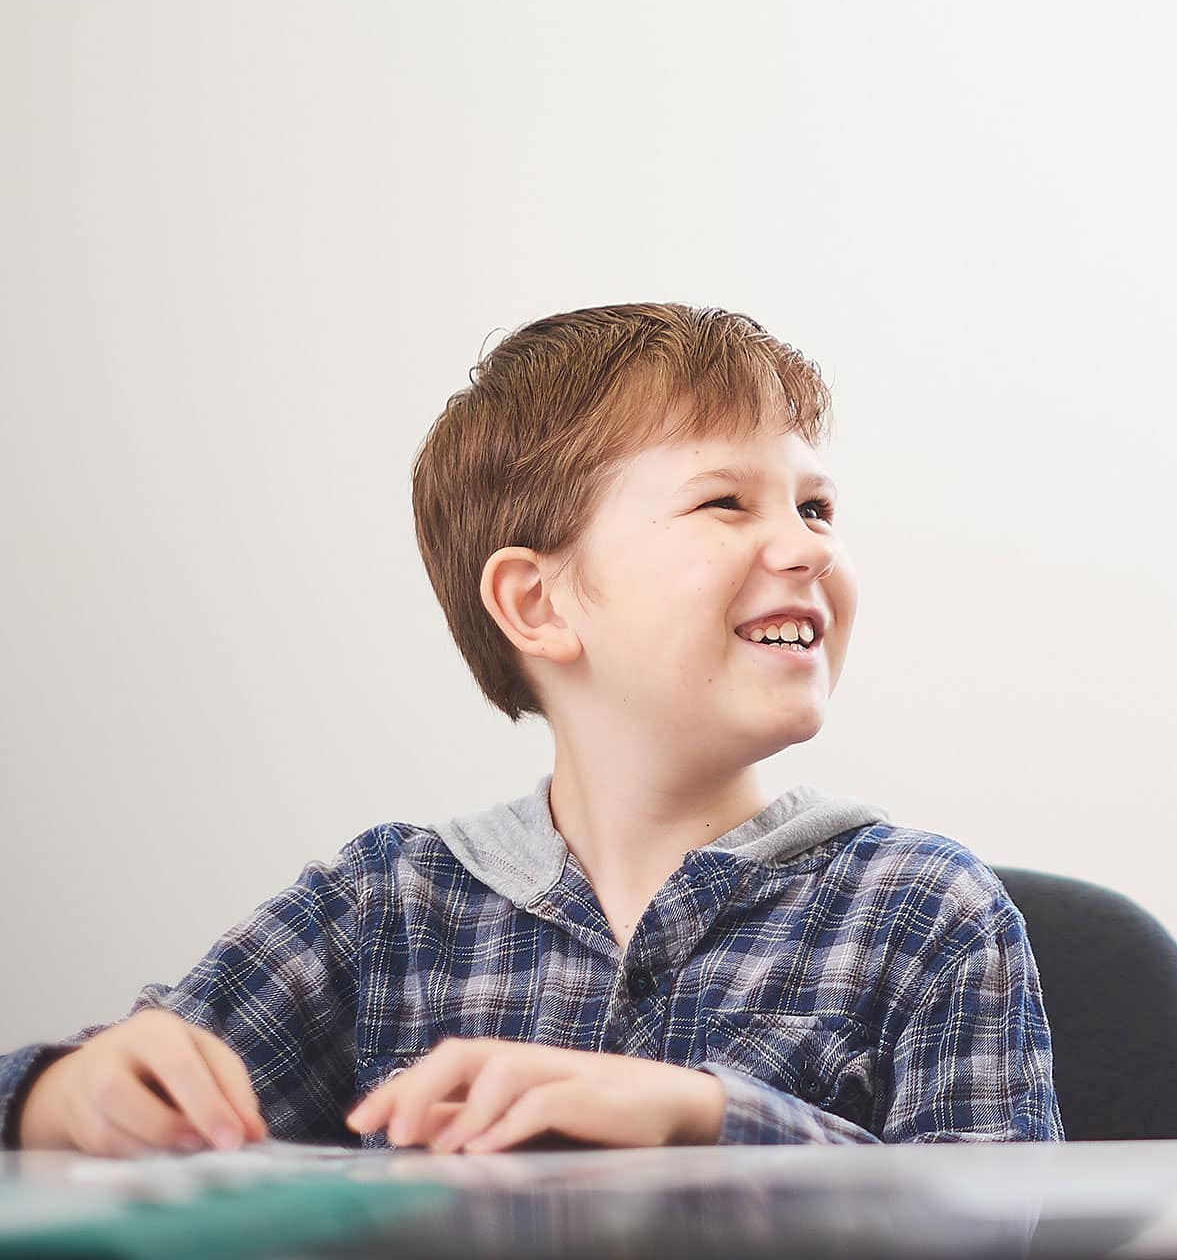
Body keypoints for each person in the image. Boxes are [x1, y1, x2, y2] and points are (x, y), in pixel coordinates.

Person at [0, 303, 1062, 1154]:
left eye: (818, 508)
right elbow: (111, 1097)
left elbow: (1006, 1230)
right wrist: (61, 1097)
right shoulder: (384, 912)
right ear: (539, 605)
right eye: (727, 503)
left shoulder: (925, 913)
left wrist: (704, 1115)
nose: (808, 548)